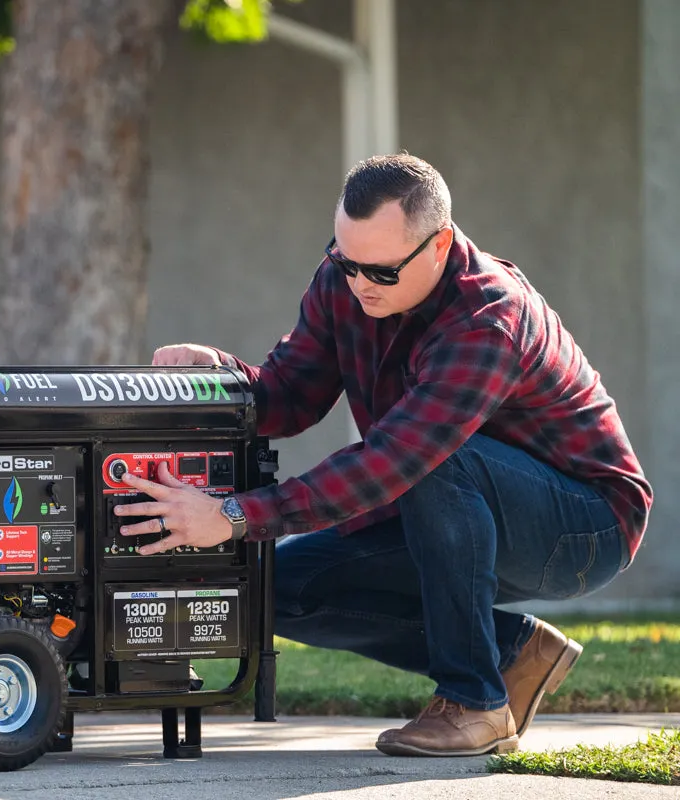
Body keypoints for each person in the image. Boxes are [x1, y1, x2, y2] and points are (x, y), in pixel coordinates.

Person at [115, 153, 652, 757]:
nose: (359, 282)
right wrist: (223, 382)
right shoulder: (345, 281)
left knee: (434, 459)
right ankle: (511, 655)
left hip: (583, 527)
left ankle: (474, 702)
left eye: (381, 271)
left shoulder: (487, 320)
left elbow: (396, 460)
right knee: (279, 589)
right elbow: (291, 396)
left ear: (440, 244)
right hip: (443, 495)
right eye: (345, 261)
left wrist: (234, 515)